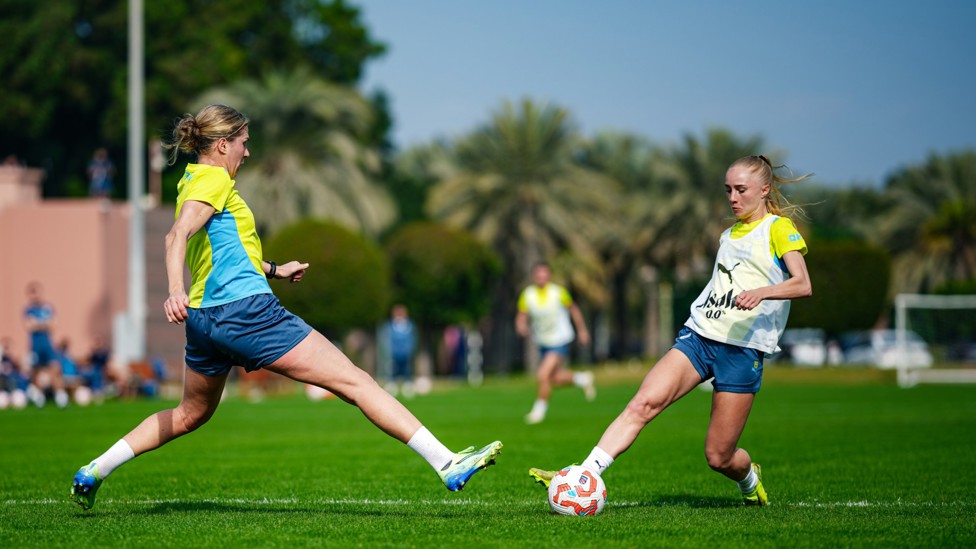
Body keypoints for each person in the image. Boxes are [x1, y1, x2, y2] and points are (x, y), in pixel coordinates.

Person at [69, 104, 502, 510]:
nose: (248, 150)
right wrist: (172, 289)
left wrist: (275, 269)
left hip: (206, 321)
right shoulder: (214, 179)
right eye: (244, 141)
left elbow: (225, 250)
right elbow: (175, 236)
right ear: (223, 145)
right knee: (355, 382)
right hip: (245, 312)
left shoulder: (191, 181)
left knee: (188, 415)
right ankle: (446, 462)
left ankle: (93, 470)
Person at [529, 155, 813, 506]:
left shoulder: (778, 228)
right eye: (728, 190)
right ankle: (583, 475)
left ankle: (749, 479)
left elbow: (802, 284)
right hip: (700, 335)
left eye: (741, 190)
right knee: (642, 403)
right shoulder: (728, 234)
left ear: (764, 190)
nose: (733, 198)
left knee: (719, 456)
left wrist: (761, 292)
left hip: (742, 349)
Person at [515, 262, 595, 424]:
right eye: (538, 274)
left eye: (544, 273)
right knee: (553, 379)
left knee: (542, 375)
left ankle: (538, 411)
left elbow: (574, 310)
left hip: (560, 339)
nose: (541, 277)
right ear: (534, 276)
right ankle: (582, 378)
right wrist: (521, 325)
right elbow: (522, 314)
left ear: (549, 275)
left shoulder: (559, 293)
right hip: (543, 341)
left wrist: (582, 330)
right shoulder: (528, 294)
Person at [23, 282, 69, 408]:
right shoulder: (28, 310)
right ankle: (38, 397)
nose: (35, 296)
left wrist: (38, 324)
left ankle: (61, 397)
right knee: (36, 373)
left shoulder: (47, 308)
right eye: (32, 293)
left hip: (48, 346)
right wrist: (44, 324)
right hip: (35, 346)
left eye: (36, 292)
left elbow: (53, 325)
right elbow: (28, 325)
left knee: (54, 370)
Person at [380, 304, 418, 398]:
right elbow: (385, 340)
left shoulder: (409, 325)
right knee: (392, 370)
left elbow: (413, 339)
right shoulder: (389, 326)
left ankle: (408, 386)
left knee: (407, 371)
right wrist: (387, 352)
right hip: (393, 354)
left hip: (405, 353)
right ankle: (391, 386)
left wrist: (410, 350)